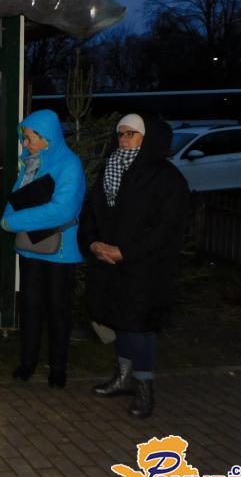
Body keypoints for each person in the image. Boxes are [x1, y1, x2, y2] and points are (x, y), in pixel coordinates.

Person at [79, 114, 190, 419]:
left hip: (146, 268)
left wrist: (125, 252)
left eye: (131, 134)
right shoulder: (111, 169)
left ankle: (144, 387)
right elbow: (91, 212)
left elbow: (167, 228)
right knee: (122, 321)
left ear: (148, 137)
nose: (123, 139)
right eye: (121, 134)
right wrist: (93, 243)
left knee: (140, 326)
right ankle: (123, 377)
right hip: (110, 265)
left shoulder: (166, 178)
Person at [0, 109, 86, 388]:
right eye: (24, 139)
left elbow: (63, 210)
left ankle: (58, 368)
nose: (25, 144)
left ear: (46, 136)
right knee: (30, 306)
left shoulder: (69, 164)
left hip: (60, 250)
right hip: (30, 248)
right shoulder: (30, 164)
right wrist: (9, 218)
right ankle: (28, 363)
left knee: (58, 309)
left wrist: (13, 222)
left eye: (29, 138)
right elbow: (15, 199)